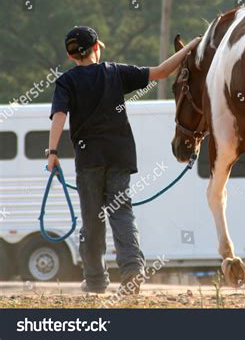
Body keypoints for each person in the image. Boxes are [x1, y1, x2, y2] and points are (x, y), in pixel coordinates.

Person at [47, 26, 200, 295]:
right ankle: (132, 270)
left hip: (89, 159)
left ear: (71, 57)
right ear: (97, 48)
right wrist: (191, 47)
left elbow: (59, 114)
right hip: (119, 156)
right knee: (122, 213)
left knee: (92, 221)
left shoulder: (66, 82)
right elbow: (162, 71)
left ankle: (95, 281)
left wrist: (52, 153)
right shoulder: (115, 72)